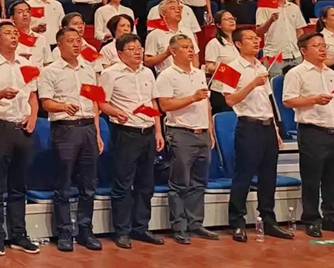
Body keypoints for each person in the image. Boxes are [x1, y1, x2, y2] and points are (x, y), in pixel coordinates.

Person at [221, 27, 293, 242]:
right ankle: (237, 222)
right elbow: (229, 100)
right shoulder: (230, 67)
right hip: (248, 126)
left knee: (268, 176)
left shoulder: (261, 65)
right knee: (243, 176)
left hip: (267, 126)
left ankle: (268, 220)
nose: (256, 41)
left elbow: (268, 101)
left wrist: (276, 129)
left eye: (257, 38)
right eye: (250, 39)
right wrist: (252, 84)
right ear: (238, 44)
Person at [282, 32, 334, 238]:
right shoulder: (296, 73)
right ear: (304, 50)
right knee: (312, 178)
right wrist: (313, 100)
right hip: (312, 130)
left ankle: (333, 218)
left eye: (324, 45)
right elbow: (288, 100)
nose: (322, 49)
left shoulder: (331, 73)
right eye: (316, 46)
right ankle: (312, 219)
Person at [0, 21, 39, 256]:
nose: (13, 37)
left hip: (22, 128)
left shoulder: (27, 64)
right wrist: (0, 94)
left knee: (19, 185)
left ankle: (19, 235)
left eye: (15, 33)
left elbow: (33, 96)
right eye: (7, 33)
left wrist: (33, 116)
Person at [37, 27, 103, 252]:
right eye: (71, 41)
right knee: (63, 184)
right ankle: (64, 232)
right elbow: (46, 102)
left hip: (88, 128)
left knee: (89, 184)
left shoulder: (89, 69)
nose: (76, 45)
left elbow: (94, 102)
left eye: (79, 41)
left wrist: (97, 132)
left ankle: (86, 231)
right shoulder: (50, 71)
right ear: (60, 45)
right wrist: (63, 106)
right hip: (65, 129)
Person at [99, 33, 164, 249]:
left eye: (139, 48)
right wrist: (115, 112)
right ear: (120, 53)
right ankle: (122, 230)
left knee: (146, 184)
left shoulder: (147, 72)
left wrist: (158, 131)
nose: (138, 52)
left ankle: (140, 227)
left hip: (148, 132)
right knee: (123, 184)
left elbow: (153, 102)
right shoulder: (110, 74)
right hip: (125, 133)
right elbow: (102, 103)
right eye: (132, 49)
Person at [155, 34, 219, 245]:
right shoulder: (166, 76)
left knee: (199, 183)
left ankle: (196, 223)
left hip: (202, 132)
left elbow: (206, 104)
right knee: (180, 183)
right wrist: (192, 97)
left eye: (191, 47)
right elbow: (165, 105)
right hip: (181, 132)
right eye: (185, 47)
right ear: (173, 51)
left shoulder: (199, 73)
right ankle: (179, 226)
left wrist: (210, 130)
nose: (190, 50)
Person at [256, 0, 307, 78]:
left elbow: (299, 30)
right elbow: (259, 31)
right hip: (275, 55)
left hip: (295, 54)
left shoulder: (294, 7)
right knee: (276, 83)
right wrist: (270, 21)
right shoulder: (264, 7)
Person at [205, 10, 239, 114]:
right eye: (226, 19)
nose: (231, 21)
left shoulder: (238, 43)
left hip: (237, 90)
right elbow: (209, 67)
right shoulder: (214, 43)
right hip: (221, 90)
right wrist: (226, 70)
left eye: (232, 18)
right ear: (219, 25)